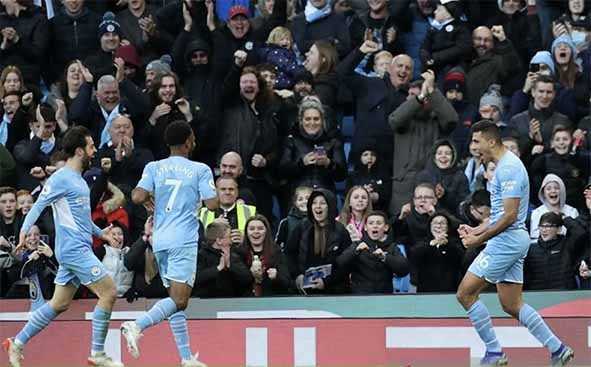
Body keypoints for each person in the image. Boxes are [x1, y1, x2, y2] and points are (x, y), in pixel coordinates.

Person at [3, 126, 123, 367]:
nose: (94, 150)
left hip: (78, 248)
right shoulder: (60, 178)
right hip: (72, 250)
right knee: (109, 292)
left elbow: (81, 219)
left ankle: (16, 342)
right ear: (79, 151)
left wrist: (102, 234)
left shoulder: (77, 180)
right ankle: (98, 353)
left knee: (59, 304)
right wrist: (24, 231)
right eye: (90, 146)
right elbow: (38, 205)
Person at [456, 120, 574, 366]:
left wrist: (477, 239)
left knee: (466, 293)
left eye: (476, 141)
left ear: (491, 141)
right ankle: (558, 348)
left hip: (507, 242)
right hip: (512, 240)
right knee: (511, 304)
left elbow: (510, 216)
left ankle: (494, 352)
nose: (473, 146)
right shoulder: (503, 166)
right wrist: (476, 228)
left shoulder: (508, 168)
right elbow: (502, 214)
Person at [121, 121, 218, 367]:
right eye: (193, 137)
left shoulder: (154, 167)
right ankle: (137, 325)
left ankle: (186, 358)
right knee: (181, 300)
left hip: (160, 241)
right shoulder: (200, 169)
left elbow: (137, 196)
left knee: (174, 300)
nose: (194, 141)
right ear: (187, 141)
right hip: (183, 240)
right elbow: (213, 204)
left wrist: (148, 200)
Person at [337, 210, 409, 294]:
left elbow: (404, 270)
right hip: (360, 297)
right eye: (371, 223)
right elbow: (339, 263)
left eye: (378, 223)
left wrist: (386, 258)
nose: (375, 226)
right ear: (366, 227)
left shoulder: (392, 247)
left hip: (384, 297)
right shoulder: (356, 245)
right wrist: (355, 251)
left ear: (386, 227)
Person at [240, 214, 291, 296]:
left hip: (270, 302)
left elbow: (288, 283)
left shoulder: (277, 252)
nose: (256, 232)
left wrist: (276, 277)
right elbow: (233, 283)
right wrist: (250, 274)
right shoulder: (238, 253)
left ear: (266, 231)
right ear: (246, 232)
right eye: (252, 229)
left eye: (260, 228)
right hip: (244, 303)